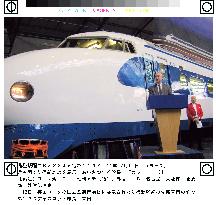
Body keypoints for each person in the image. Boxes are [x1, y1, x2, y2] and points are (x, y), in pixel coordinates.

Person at [148, 71, 172, 151]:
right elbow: (151, 100)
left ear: (162, 77)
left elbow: (171, 99)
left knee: (167, 129)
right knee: (159, 130)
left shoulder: (167, 87)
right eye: (156, 76)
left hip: (166, 112)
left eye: (158, 76)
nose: (157, 78)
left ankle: (168, 145)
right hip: (157, 112)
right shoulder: (151, 88)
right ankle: (161, 146)